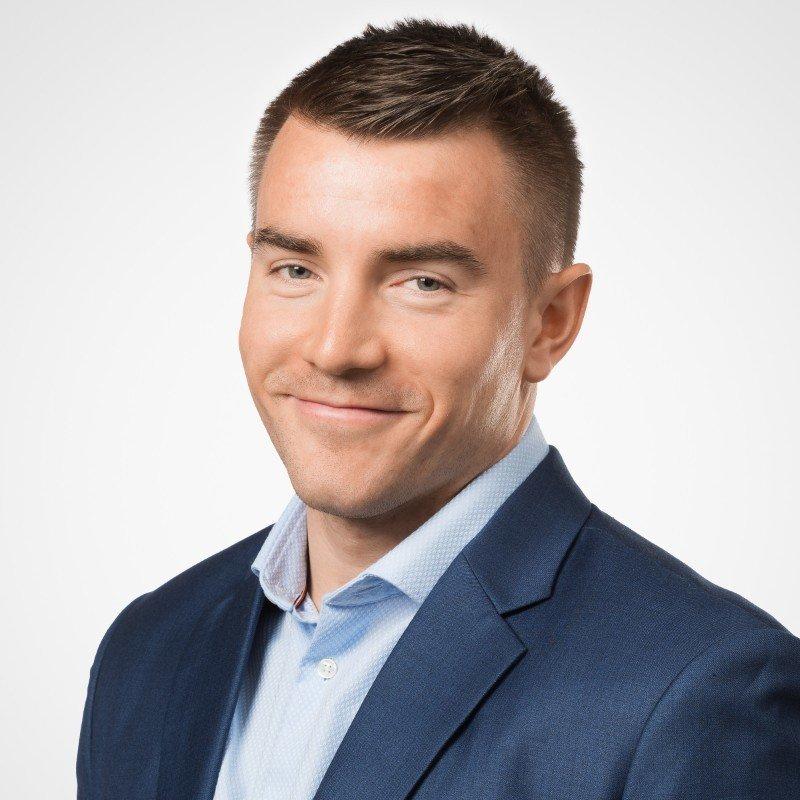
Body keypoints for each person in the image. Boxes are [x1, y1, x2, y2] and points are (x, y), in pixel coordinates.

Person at [76, 18, 800, 800]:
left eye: (422, 282)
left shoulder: (702, 694)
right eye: (295, 269)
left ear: (550, 323)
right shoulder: (149, 648)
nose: (335, 349)